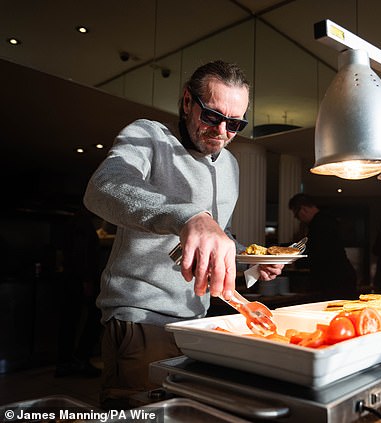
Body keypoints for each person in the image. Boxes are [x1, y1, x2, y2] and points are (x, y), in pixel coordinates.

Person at [84, 60, 283, 409]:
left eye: (235, 123)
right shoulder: (149, 136)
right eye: (212, 116)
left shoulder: (231, 165)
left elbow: (216, 235)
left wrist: (251, 263)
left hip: (197, 321)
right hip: (142, 318)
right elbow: (103, 187)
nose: (222, 131)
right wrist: (188, 215)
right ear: (188, 101)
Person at [55, 205, 102, 378]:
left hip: (72, 278)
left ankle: (66, 363)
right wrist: (87, 280)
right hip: (78, 280)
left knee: (69, 321)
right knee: (86, 319)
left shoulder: (74, 221)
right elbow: (80, 253)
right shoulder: (82, 223)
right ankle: (78, 361)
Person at [288, 193, 357, 300]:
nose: (298, 219)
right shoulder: (326, 219)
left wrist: (296, 262)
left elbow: (320, 254)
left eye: (296, 215)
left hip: (334, 279)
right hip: (341, 275)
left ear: (303, 209)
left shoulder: (319, 224)